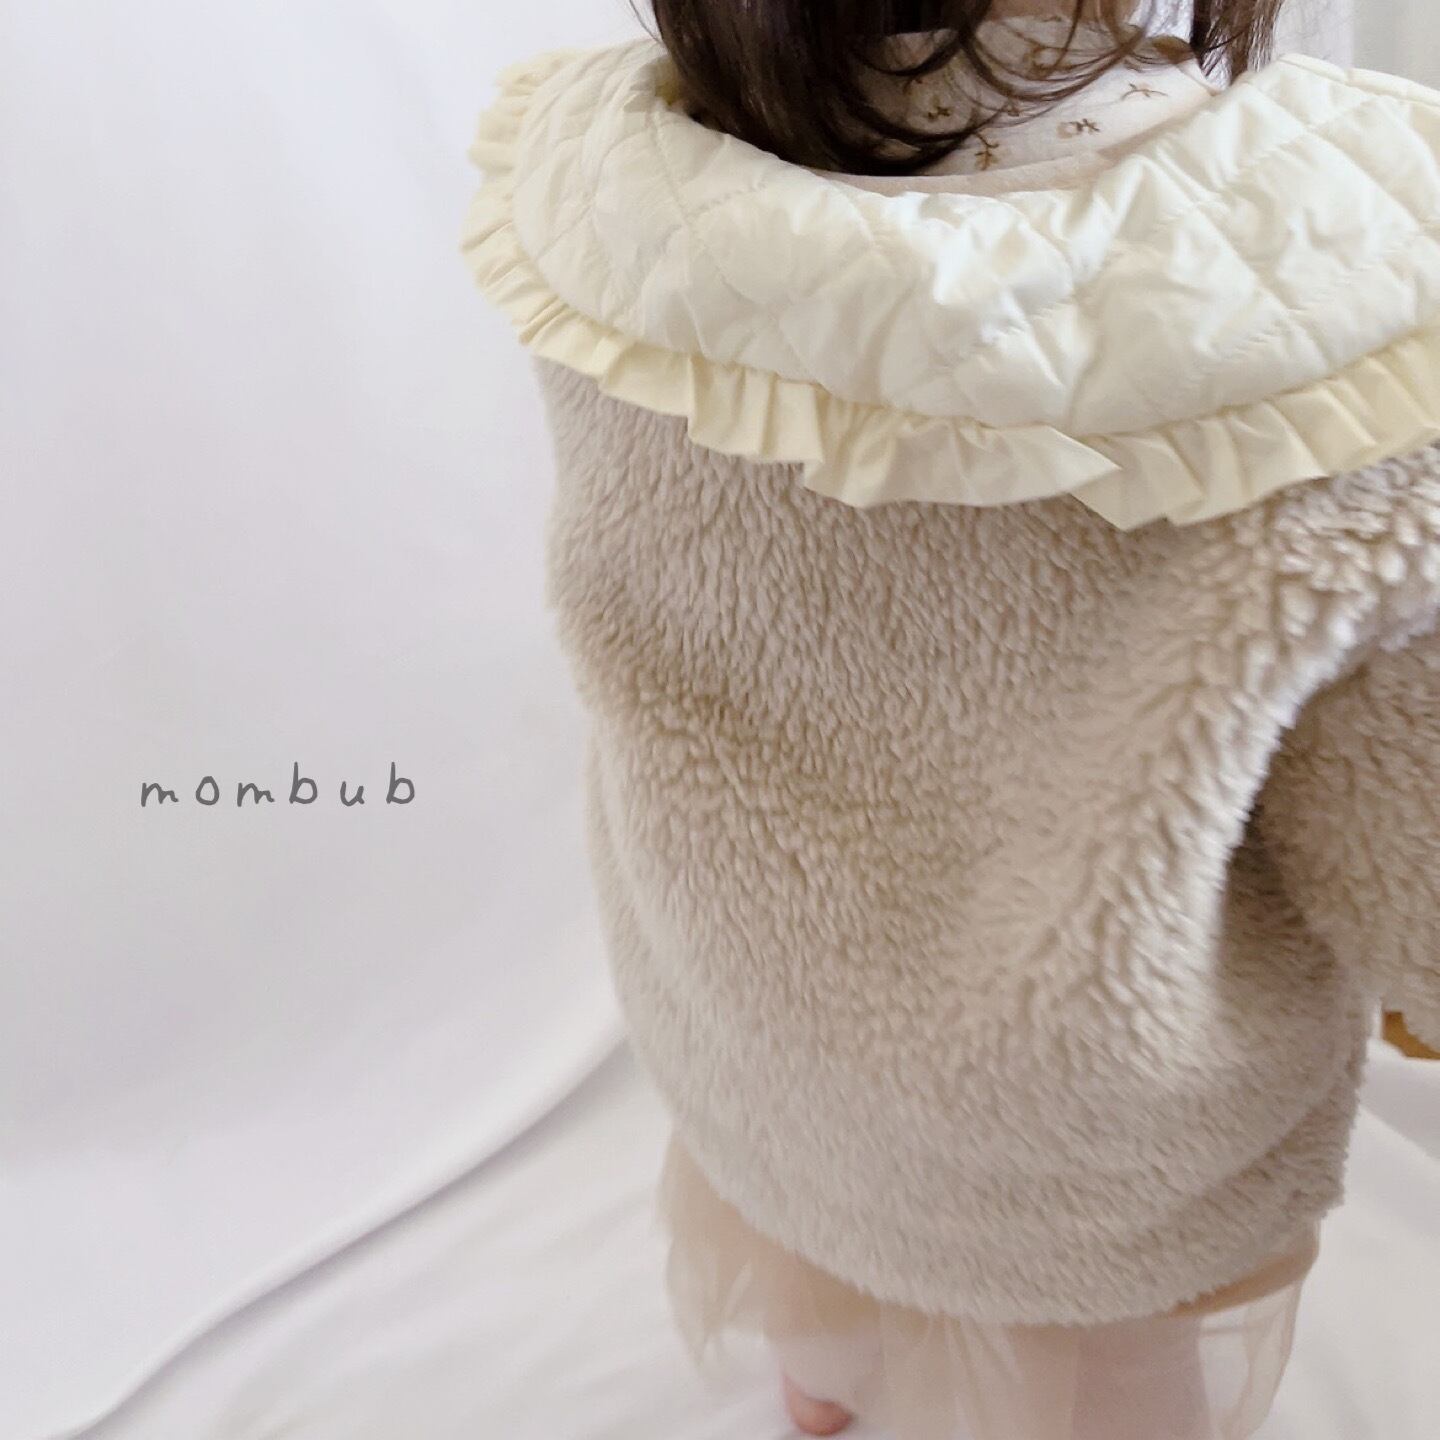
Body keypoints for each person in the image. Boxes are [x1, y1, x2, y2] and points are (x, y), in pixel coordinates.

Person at [460, 1, 1440, 1434]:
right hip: (1077, 1125)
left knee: (811, 1243)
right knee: (1104, 1384)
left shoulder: (630, 208)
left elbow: (650, 584)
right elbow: (1394, 784)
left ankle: (824, 1393)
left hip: (749, 1004)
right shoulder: (1322, 314)